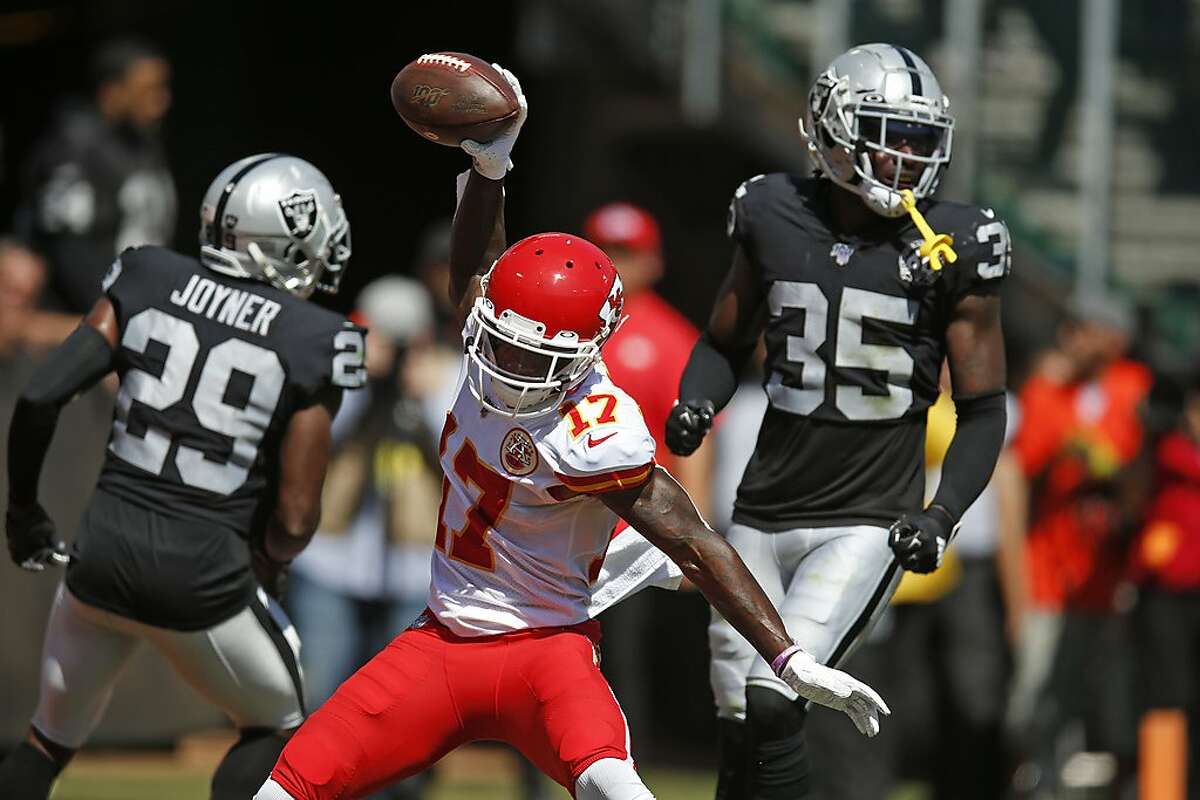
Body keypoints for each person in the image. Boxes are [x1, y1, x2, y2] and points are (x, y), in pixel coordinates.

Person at [255, 65, 888, 800]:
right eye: (505, 339)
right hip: (439, 643)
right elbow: (478, 270)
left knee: (616, 786)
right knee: (284, 790)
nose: (514, 364)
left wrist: (787, 658)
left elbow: (693, 538)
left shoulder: (598, 427)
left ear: (587, 353)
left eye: (539, 355)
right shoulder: (489, 338)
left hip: (545, 653)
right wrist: (488, 166)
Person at [665, 43, 1012, 799]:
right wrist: (698, 399)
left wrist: (941, 514)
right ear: (830, 128)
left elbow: (983, 411)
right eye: (890, 132)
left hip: (864, 520)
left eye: (921, 139)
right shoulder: (769, 210)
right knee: (733, 711)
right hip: (759, 512)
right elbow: (722, 341)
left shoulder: (955, 244)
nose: (907, 155)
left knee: (774, 696)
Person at [0, 153, 365, 800]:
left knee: (45, 743)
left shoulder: (147, 274)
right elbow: (297, 517)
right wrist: (266, 561)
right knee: (276, 730)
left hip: (99, 558)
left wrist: (24, 511)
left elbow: (39, 398)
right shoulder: (317, 337)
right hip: (202, 575)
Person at [286, 275, 443, 799]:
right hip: (331, 561)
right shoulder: (338, 381)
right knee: (321, 691)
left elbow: (459, 458)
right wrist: (359, 376)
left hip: (413, 569)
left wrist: (421, 394)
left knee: (405, 709)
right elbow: (312, 439)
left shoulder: (447, 379)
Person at [1006, 293, 1151, 798]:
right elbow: (1024, 466)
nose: (1073, 338)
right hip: (1051, 568)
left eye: (1085, 328)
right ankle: (1036, 779)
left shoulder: (1134, 386)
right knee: (1039, 688)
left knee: (1104, 690)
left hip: (1110, 573)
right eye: (1071, 328)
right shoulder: (1049, 389)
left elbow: (1138, 467)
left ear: (1113, 337)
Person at [13, 38, 175, 313]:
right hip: (87, 318)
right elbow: (67, 248)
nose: (161, 100)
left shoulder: (141, 143)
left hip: (138, 302)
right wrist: (114, 308)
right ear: (112, 91)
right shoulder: (74, 147)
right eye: (148, 90)